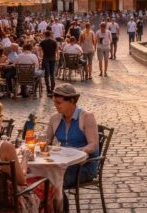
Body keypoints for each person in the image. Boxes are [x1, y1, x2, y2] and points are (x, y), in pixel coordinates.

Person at [45, 84, 100, 213]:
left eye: (59, 103)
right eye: (54, 102)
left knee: (54, 182)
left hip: (84, 166)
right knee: (39, 178)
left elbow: (93, 145)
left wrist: (78, 152)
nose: (56, 106)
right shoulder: (55, 118)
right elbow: (46, 142)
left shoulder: (87, 117)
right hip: (63, 165)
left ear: (72, 101)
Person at [39, 30, 59, 97]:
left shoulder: (42, 42)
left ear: (45, 35)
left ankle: (48, 90)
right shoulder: (54, 42)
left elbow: (39, 49)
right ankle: (52, 89)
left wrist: (41, 56)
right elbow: (57, 50)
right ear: (50, 35)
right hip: (53, 58)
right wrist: (57, 57)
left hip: (46, 58)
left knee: (46, 74)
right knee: (52, 74)